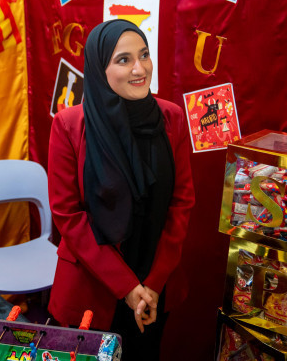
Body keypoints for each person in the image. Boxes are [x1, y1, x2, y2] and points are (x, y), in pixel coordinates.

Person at [47, 19, 194, 360]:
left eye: (144, 55)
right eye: (123, 59)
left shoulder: (170, 119)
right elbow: (68, 215)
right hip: (92, 285)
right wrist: (128, 288)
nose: (139, 68)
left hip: (155, 284)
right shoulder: (70, 125)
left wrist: (152, 284)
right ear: (100, 68)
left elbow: (181, 204)